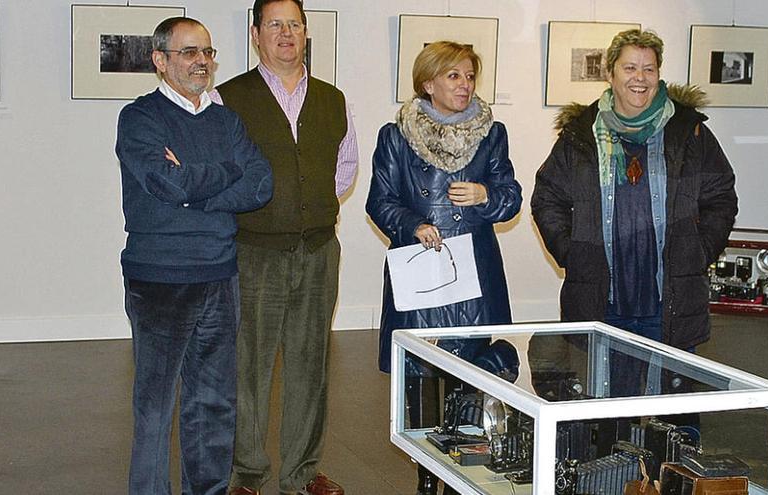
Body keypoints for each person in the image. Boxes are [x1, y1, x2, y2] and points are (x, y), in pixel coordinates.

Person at [530, 29, 738, 397]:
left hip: (669, 301)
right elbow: (547, 198)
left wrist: (698, 252)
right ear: (610, 73)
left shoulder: (688, 132)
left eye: (649, 68)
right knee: (606, 413)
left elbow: (721, 197)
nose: (639, 78)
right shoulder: (579, 136)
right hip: (604, 301)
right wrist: (573, 253)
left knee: (673, 418)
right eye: (629, 68)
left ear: (659, 74)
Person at [116, 17, 273, 495]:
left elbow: (261, 184)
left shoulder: (227, 121)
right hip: (160, 279)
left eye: (207, 51)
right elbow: (165, 182)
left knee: (213, 403)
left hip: (220, 276)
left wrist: (197, 189)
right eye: (188, 52)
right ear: (161, 61)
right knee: (155, 406)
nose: (202, 61)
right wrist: (228, 171)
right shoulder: (140, 118)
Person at [210, 0, 358, 493]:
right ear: (256, 34)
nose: (286, 33)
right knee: (248, 366)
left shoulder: (332, 99)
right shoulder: (228, 98)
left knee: (310, 365)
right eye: (274, 24)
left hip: (317, 250)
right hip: (254, 253)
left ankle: (301, 473)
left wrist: (305, 207)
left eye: (294, 24)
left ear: (305, 32)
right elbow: (220, 175)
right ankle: (248, 474)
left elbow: (345, 170)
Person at [366, 41, 522, 495]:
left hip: (476, 277)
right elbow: (380, 201)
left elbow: (511, 195)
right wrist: (413, 224)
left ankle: (467, 474)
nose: (465, 84)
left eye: (470, 76)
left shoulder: (492, 133)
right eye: (454, 76)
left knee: (477, 378)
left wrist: (486, 197)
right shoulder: (395, 136)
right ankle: (428, 480)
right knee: (421, 383)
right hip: (421, 278)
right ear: (427, 83)